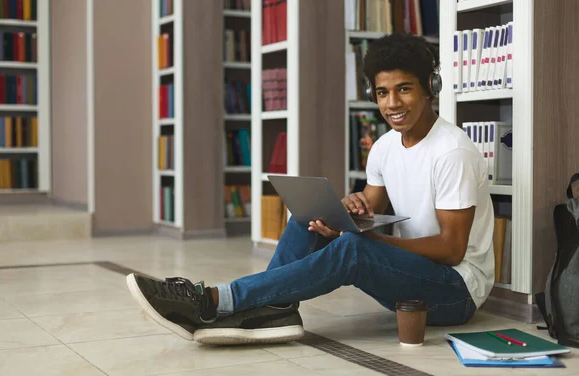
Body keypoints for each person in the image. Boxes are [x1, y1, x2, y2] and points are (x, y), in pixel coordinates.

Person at [126, 32, 495, 346]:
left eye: (404, 90)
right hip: (412, 279)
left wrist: (367, 242)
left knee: (354, 249)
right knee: (310, 219)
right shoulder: (385, 147)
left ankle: (214, 301)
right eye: (382, 93)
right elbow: (373, 207)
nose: (392, 104)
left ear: (430, 88)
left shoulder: (453, 151)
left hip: (455, 292)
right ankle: (270, 314)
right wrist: (352, 208)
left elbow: (451, 249)